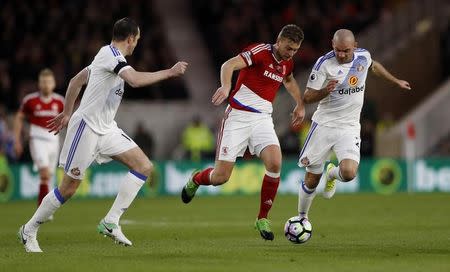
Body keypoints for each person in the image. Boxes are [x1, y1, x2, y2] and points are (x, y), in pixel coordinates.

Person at [18, 17, 188, 252]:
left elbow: (76, 80)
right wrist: (169, 72)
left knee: (144, 166)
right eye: (136, 40)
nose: (136, 44)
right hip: (86, 128)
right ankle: (29, 230)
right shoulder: (112, 56)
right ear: (130, 39)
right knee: (68, 188)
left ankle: (111, 221)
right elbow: (135, 80)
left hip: (107, 129)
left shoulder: (104, 55)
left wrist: (67, 112)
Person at [181, 24, 305, 241]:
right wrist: (226, 86)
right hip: (237, 117)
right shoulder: (260, 52)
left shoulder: (287, 63)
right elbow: (228, 64)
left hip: (263, 120)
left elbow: (289, 80)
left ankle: (262, 218)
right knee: (220, 178)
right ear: (279, 40)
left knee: (275, 163)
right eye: (288, 48)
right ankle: (197, 179)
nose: (290, 53)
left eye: (295, 50)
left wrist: (300, 104)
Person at [297, 29, 411, 224]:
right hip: (324, 124)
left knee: (349, 173)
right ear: (332, 45)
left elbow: (374, 66)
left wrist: (396, 81)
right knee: (312, 178)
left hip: (349, 126)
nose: (341, 55)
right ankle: (302, 218)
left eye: (346, 51)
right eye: (338, 50)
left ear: (355, 46)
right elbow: (307, 97)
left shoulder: (363, 56)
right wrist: (326, 90)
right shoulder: (324, 64)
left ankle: (332, 173)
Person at [13, 69, 64, 210]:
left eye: (48, 82)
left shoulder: (59, 101)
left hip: (54, 141)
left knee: (49, 177)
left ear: (53, 84)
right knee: (45, 173)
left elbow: (67, 120)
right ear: (39, 84)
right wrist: (16, 140)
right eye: (43, 82)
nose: (46, 85)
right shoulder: (30, 100)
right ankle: (42, 208)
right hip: (37, 139)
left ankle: (46, 209)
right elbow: (19, 118)